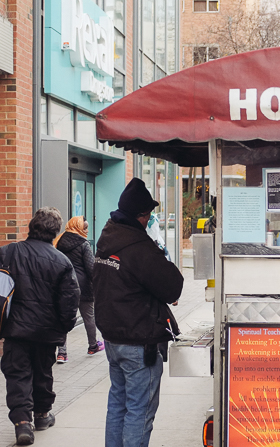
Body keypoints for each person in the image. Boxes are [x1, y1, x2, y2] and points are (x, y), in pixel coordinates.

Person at [93, 178, 184, 447]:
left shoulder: (107, 239)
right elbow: (173, 286)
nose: (148, 221)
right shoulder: (139, 247)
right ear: (140, 215)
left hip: (113, 338)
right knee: (139, 411)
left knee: (118, 404)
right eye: (147, 215)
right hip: (138, 341)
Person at [0, 207, 80, 445]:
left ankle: (23, 422)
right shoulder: (61, 261)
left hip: (15, 329)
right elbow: (70, 299)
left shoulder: (9, 252)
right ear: (55, 232)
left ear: (32, 227)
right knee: (43, 373)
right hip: (46, 331)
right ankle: (42, 415)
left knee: (18, 374)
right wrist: (64, 327)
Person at [54, 216, 103, 363]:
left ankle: (62, 353)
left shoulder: (59, 241)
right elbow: (91, 268)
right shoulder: (83, 243)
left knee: (63, 317)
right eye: (85, 228)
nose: (86, 231)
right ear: (78, 227)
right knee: (89, 316)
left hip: (64, 285)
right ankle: (93, 346)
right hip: (82, 286)